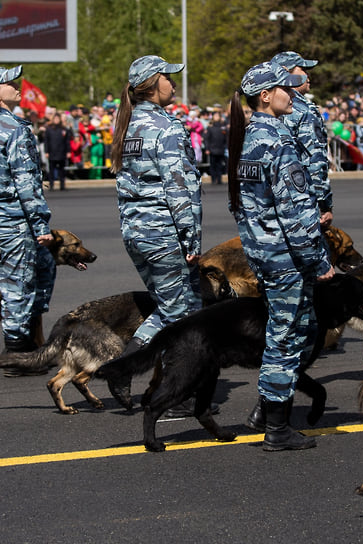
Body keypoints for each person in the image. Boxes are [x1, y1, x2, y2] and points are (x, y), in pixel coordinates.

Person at [227, 61, 335, 451]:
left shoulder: (248, 141)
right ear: (265, 96)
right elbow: (297, 214)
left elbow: (242, 207)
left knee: (292, 330)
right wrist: (320, 261)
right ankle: (275, 426)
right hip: (287, 257)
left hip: (264, 253)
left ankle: (268, 412)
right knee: (285, 337)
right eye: (284, 89)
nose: (292, 94)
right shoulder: (277, 142)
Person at [106, 55, 204, 413]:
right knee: (181, 314)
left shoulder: (127, 126)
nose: (174, 83)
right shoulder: (167, 127)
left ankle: (127, 368)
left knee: (175, 307)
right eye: (168, 77)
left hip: (137, 232)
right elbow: (180, 189)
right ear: (151, 84)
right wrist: (190, 239)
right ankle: (174, 394)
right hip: (165, 233)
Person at [0, 65, 56, 355]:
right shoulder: (14, 129)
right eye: (8, 82)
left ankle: (30, 333)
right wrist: (40, 224)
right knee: (19, 279)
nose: (16, 85)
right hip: (15, 214)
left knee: (42, 267)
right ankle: (17, 350)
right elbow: (25, 181)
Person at [271, 51, 333, 225]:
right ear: (286, 72)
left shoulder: (267, 108)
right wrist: (323, 203)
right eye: (302, 69)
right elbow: (315, 159)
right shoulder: (303, 110)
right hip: (302, 197)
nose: (308, 75)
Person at [44, 113, 72, 190]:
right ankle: (51, 185)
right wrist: (46, 151)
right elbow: (46, 141)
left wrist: (68, 151)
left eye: (58, 119)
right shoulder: (49, 129)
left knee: (62, 170)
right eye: (55, 119)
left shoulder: (64, 129)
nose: (56, 120)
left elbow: (67, 141)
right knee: (52, 170)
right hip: (52, 152)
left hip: (61, 152)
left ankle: (62, 185)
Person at [203, 110, 227, 184]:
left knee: (219, 165)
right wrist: (207, 148)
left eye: (218, 116)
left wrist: (225, 146)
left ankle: (219, 179)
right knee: (213, 165)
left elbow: (226, 138)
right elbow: (206, 139)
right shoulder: (210, 127)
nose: (217, 117)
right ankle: (213, 179)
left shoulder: (223, 127)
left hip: (221, 148)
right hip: (212, 148)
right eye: (215, 116)